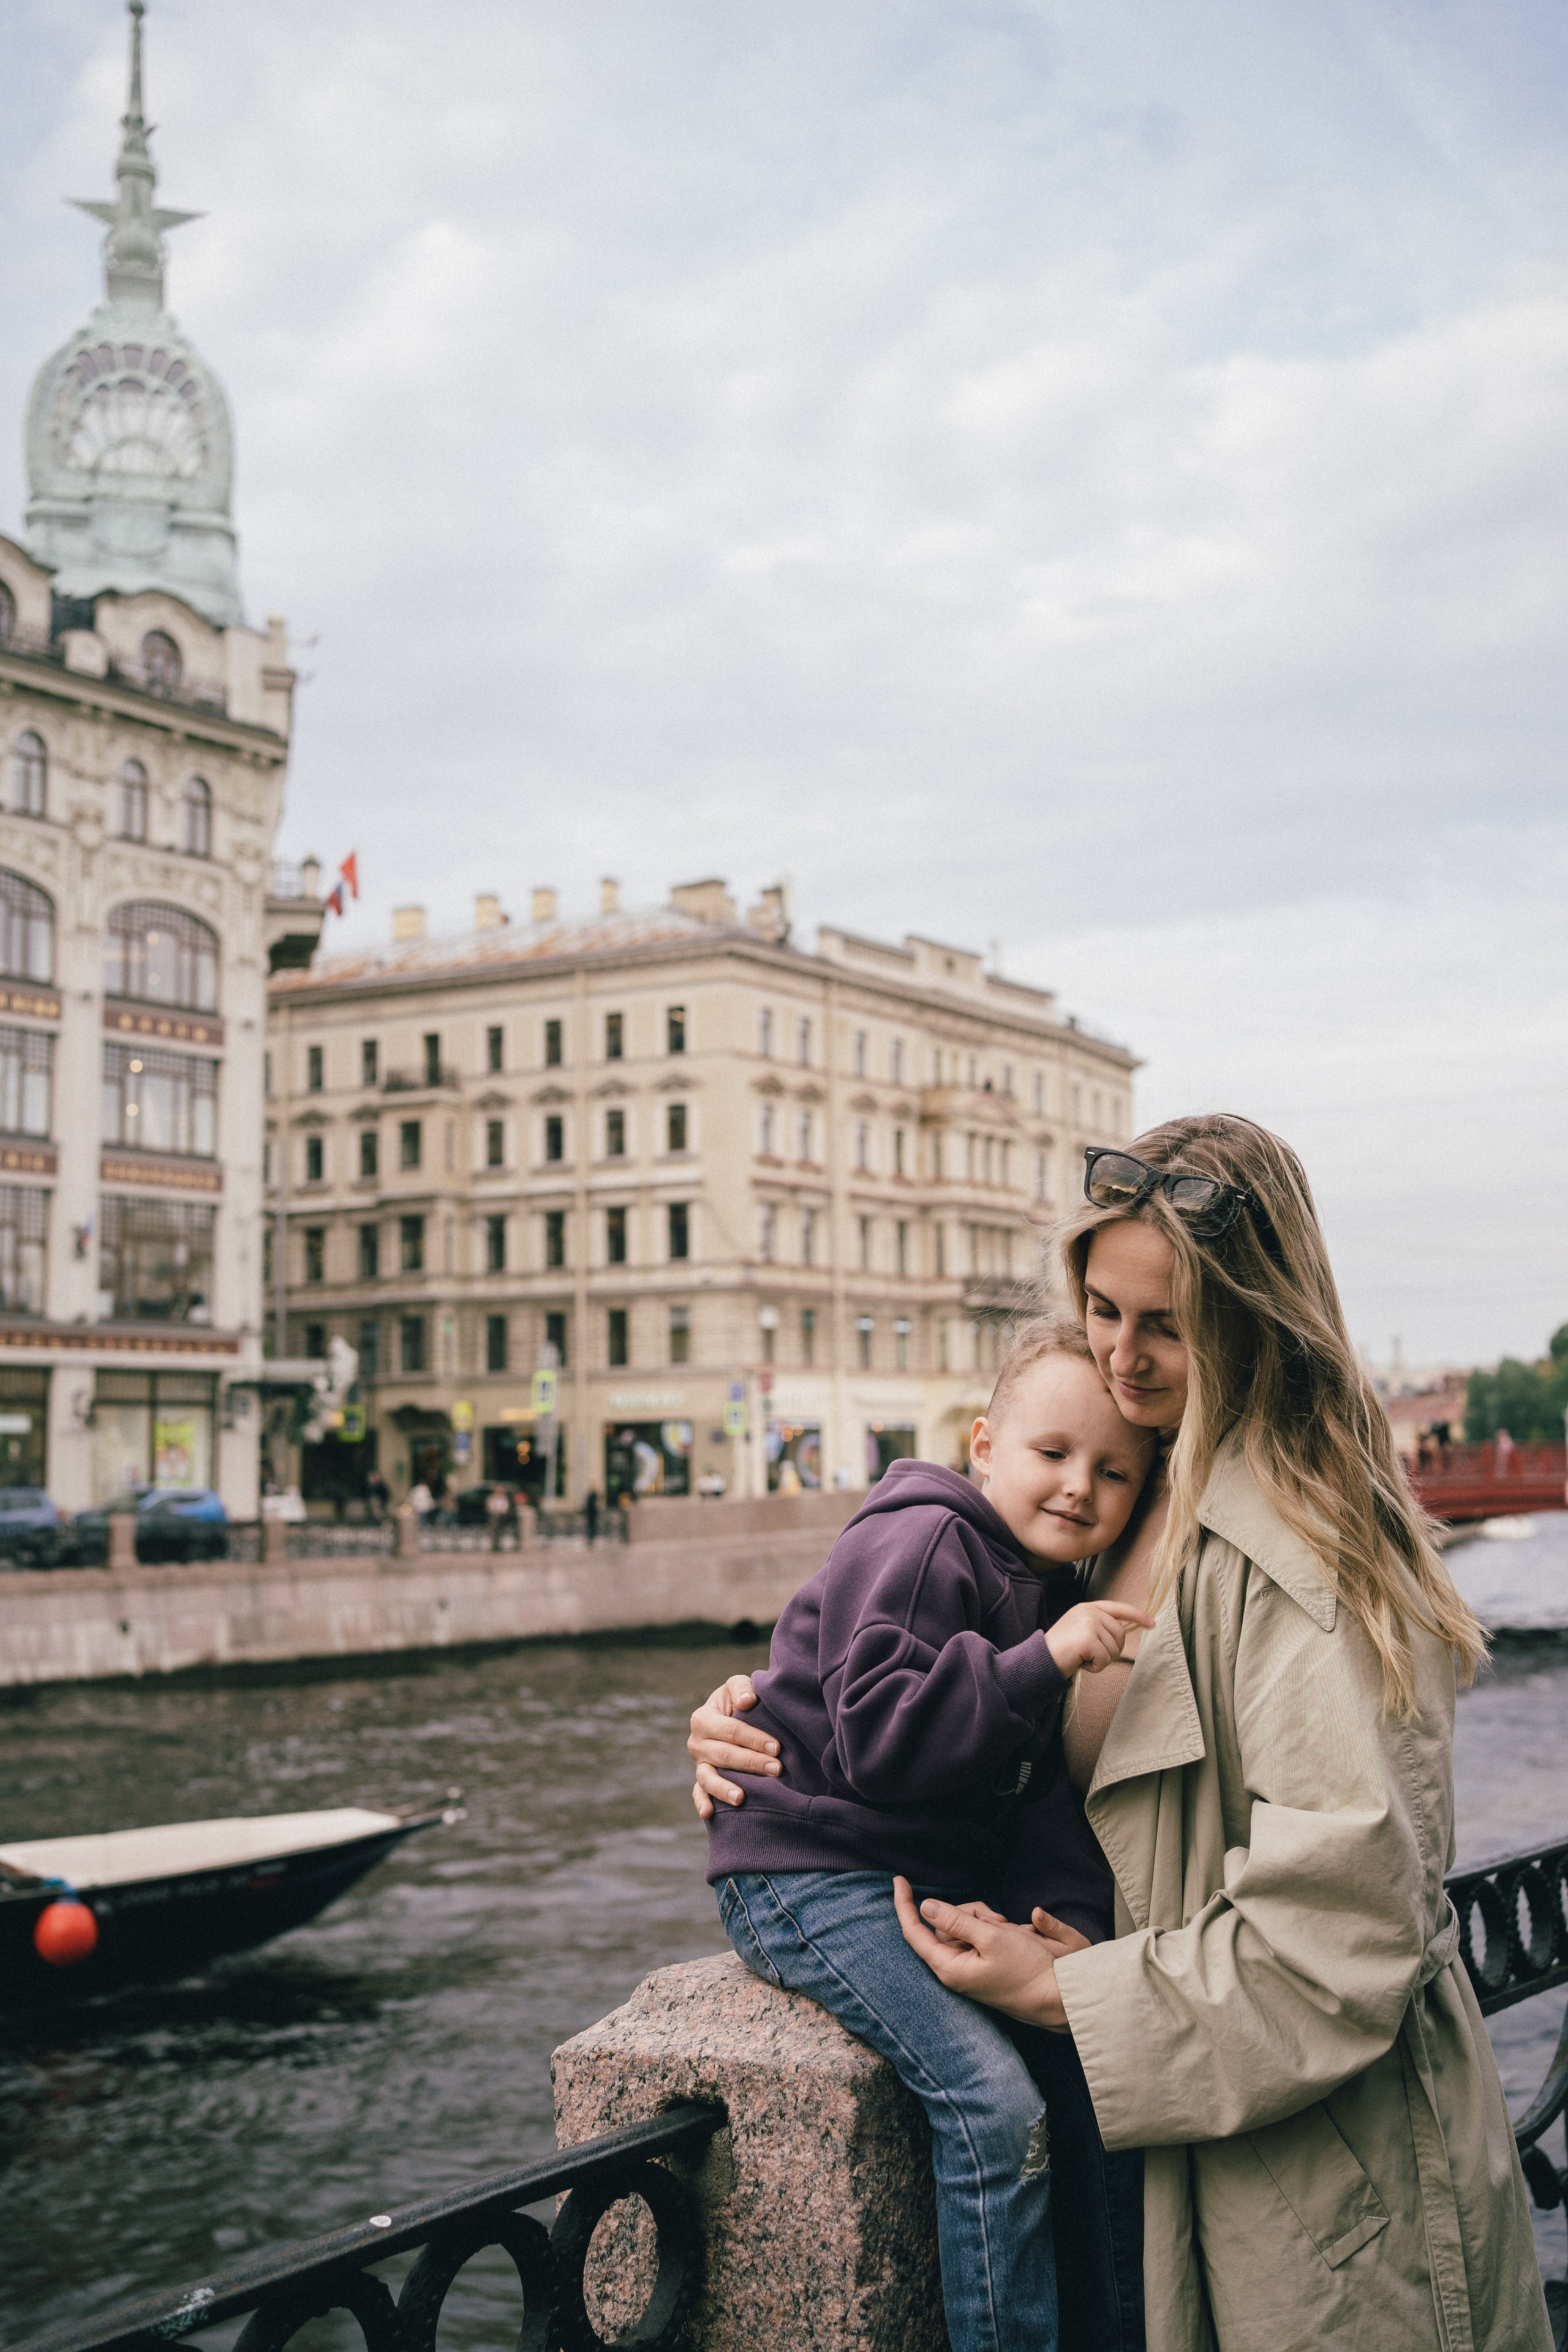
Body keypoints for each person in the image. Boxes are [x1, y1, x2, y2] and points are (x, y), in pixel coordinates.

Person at [692, 1115, 1551, 2352]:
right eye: (1101, 1308)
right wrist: (761, 1728)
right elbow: (955, 1687)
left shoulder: (1304, 1554)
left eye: (1168, 1323)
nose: (1123, 1357)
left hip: (1323, 2191)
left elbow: (1343, 1932)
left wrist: (1063, 1990)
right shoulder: (1128, 1490)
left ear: (1256, 1316)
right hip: (1179, 2135)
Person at [704, 1312, 1155, 2352]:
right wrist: (1043, 1660)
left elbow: (1040, 1799)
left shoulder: (1043, 1589)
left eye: (1114, 1472)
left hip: (891, 1867)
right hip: (803, 1871)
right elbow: (878, 1742)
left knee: (1086, 2073)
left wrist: (1070, 1928)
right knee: (990, 2103)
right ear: (985, 1448)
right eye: (1053, 1454)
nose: (1080, 1486)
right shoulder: (923, 1539)